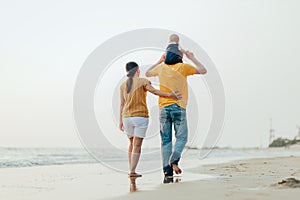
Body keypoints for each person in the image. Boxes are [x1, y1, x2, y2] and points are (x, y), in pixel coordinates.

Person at [145, 51, 207, 178]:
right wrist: (192, 57)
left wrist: (159, 60)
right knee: (182, 137)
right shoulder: (183, 67)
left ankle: (167, 171)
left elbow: (147, 73)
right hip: (179, 107)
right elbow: (203, 70)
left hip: (163, 108)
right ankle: (174, 158)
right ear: (179, 57)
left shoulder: (161, 68)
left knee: (165, 140)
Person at [119, 61, 181, 178]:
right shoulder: (143, 81)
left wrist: (120, 121)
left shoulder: (123, 85)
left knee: (131, 143)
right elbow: (155, 91)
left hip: (126, 117)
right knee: (137, 145)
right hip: (140, 116)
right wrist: (170, 95)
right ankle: (132, 171)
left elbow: (122, 104)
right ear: (137, 70)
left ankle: (131, 168)